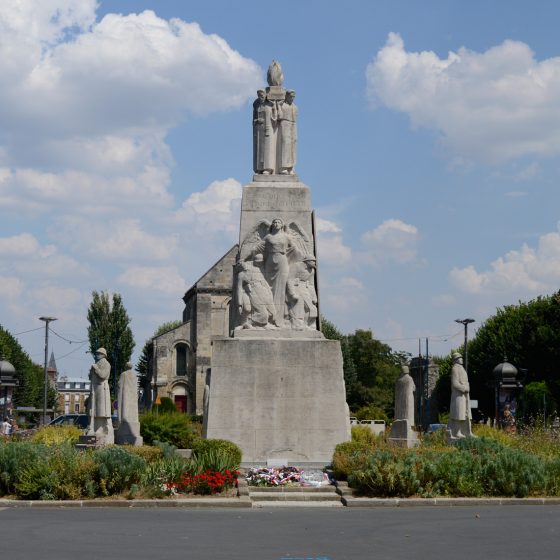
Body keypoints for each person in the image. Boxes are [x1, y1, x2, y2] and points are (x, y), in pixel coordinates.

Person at [251, 218, 293, 326]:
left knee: (281, 289)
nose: (276, 224)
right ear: (272, 225)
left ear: (282, 225)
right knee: (268, 289)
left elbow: (294, 248)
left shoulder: (286, 237)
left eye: (279, 222)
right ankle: (269, 316)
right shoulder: (268, 237)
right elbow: (258, 248)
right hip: (269, 261)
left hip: (282, 261)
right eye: (274, 222)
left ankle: (279, 318)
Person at [235, 255, 277, 329]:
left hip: (264, 291)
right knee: (263, 314)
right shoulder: (241, 274)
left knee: (272, 312)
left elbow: (264, 282)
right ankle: (248, 323)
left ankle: (265, 323)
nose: (242, 265)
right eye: (239, 264)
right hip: (253, 292)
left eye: (242, 263)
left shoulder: (257, 270)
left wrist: (269, 291)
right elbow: (239, 288)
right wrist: (239, 304)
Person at [89, 347, 114, 444]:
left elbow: (103, 375)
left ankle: (101, 428)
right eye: (96, 353)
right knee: (94, 409)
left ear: (103, 354)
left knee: (101, 409)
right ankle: (93, 427)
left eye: (98, 353)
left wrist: (96, 368)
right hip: (95, 388)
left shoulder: (106, 364)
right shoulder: (97, 363)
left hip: (102, 388)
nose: (96, 355)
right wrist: (91, 371)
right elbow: (91, 377)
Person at [286, 256, 318, 330]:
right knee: (298, 307)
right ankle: (297, 325)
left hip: (306, 289)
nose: (314, 263)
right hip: (296, 287)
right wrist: (292, 293)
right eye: (313, 261)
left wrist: (314, 296)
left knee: (312, 309)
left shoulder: (312, 270)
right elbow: (289, 280)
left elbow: (311, 284)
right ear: (307, 261)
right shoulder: (296, 266)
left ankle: (306, 324)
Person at [449, 352, 473, 438]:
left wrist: (467, 387)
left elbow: (466, 381)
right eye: (460, 358)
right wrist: (464, 388)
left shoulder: (462, 368)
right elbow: (455, 383)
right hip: (458, 395)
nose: (462, 359)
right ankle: (457, 432)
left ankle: (468, 432)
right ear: (456, 359)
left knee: (466, 413)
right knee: (459, 413)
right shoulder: (455, 369)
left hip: (465, 394)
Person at [278, 90, 297, 174]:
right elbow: (279, 116)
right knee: (285, 144)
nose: (292, 98)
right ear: (287, 96)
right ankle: (284, 167)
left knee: (293, 145)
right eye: (290, 97)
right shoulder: (282, 106)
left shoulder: (295, 107)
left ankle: (291, 167)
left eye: (293, 97)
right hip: (285, 124)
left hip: (293, 125)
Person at [252, 90, 266, 173]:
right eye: (259, 96)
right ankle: (259, 168)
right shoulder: (256, 105)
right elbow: (253, 119)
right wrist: (257, 120)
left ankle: (265, 167)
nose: (261, 98)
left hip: (266, 131)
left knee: (265, 150)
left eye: (262, 96)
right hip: (258, 130)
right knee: (259, 150)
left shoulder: (268, 106)